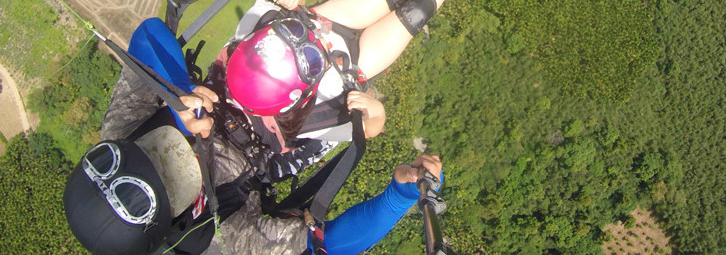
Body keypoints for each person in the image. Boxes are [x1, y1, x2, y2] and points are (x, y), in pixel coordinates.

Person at [64, 72, 445, 254]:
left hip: (229, 92)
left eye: (150, 153)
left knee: (293, 17)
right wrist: (399, 194)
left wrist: (176, 94)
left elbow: (147, 45)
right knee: (360, 98)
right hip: (275, 150)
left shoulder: (121, 135)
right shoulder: (221, 236)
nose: (163, 157)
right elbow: (326, 244)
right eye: (167, 176)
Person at [217, 0, 498, 175]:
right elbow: (369, 128)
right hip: (353, 68)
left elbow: (270, 0)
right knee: (415, 13)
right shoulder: (302, 126)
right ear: (300, 97)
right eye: (313, 62)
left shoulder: (241, 54)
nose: (318, 51)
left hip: (320, 23)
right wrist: (377, 110)